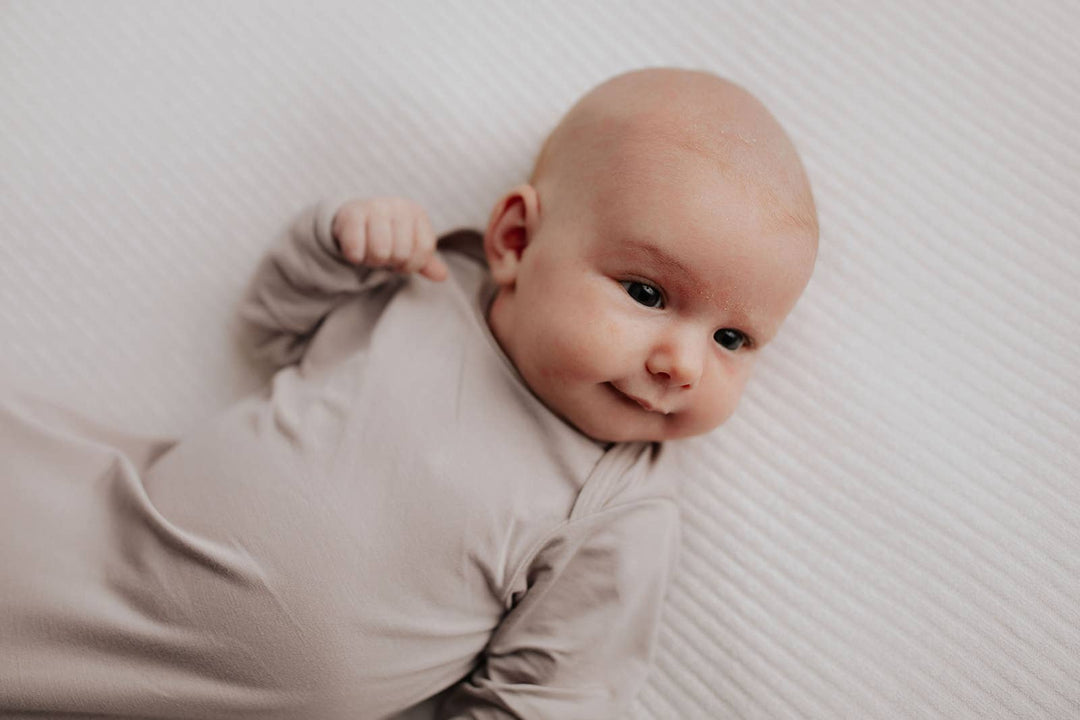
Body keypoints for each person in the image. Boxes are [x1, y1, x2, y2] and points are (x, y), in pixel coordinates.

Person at [0, 68, 817, 719]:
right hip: (100, 537)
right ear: (516, 241)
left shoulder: (619, 505)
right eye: (646, 293)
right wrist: (335, 246)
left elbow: (552, 698)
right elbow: (270, 329)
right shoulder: (425, 288)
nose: (684, 363)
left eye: (732, 340)